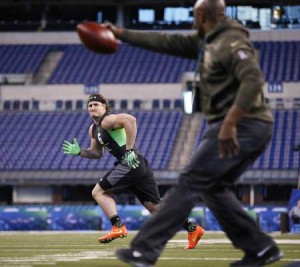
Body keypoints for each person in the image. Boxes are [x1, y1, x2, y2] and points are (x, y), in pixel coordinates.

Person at [104, 0, 283, 266]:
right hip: (237, 125)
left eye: (193, 15)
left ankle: (144, 250)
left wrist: (230, 123)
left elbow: (253, 79)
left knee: (190, 181)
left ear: (200, 15)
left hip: (242, 125)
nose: (191, 20)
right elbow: (165, 42)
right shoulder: (208, 42)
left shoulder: (231, 40)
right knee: (212, 188)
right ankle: (260, 248)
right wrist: (121, 34)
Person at [62, 93, 205, 248]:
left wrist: (129, 149)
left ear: (104, 106)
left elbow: (130, 120)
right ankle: (193, 229)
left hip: (130, 163)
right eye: (90, 106)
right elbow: (96, 153)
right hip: (137, 165)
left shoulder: (108, 120)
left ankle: (117, 227)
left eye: (96, 104)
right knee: (155, 208)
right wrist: (80, 152)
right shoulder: (93, 129)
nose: (92, 108)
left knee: (98, 192)